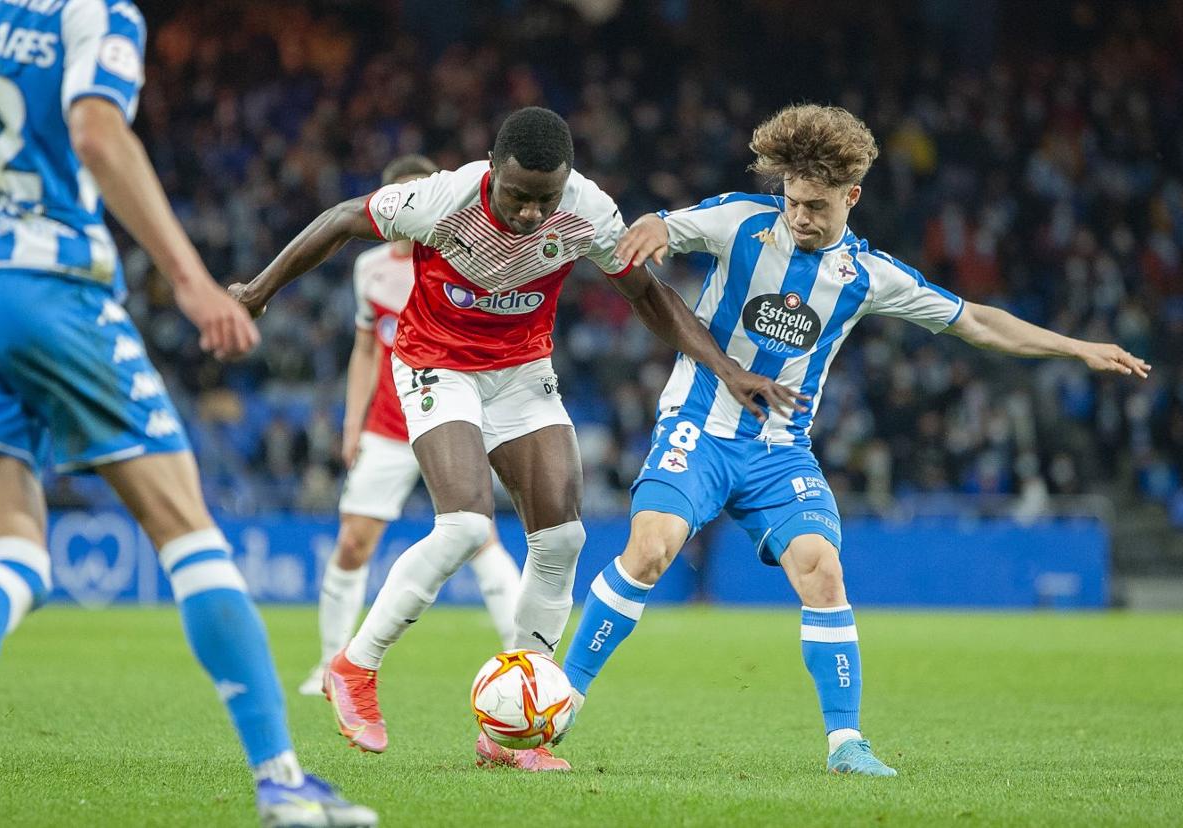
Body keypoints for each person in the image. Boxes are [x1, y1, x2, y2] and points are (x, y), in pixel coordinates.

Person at [559, 104, 1150, 776]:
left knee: (822, 568)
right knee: (652, 546)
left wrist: (1076, 348)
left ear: (852, 196)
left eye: (816, 206)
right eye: (792, 202)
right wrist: (651, 228)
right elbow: (669, 225)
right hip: (699, 426)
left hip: (780, 452)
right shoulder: (743, 222)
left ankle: (846, 744)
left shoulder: (867, 276)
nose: (801, 218)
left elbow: (976, 321)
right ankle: (563, 699)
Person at [230, 106, 800, 772]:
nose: (531, 214)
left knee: (562, 539)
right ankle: (353, 666)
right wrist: (260, 290)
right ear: (493, 170)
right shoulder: (442, 197)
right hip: (435, 364)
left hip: (521, 372)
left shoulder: (588, 211)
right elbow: (339, 221)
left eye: (544, 198)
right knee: (467, 524)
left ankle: (509, 735)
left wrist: (724, 367)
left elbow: (648, 295)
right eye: (517, 195)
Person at [0, 2, 376, 826]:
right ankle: (284, 781)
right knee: (188, 532)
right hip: (51, 289)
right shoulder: (94, 10)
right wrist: (188, 279)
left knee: (12, 554)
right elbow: (97, 134)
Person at [298, 154, 522, 698]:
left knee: (481, 537)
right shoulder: (369, 268)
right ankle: (331, 664)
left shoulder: (461, 257)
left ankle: (524, 663)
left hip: (455, 421)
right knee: (353, 542)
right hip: (388, 427)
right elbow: (363, 350)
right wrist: (353, 423)